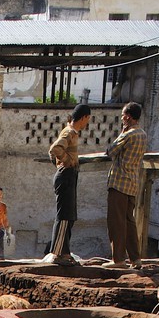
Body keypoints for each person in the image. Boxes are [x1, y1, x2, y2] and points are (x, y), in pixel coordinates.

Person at [43, 102, 92, 264]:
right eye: (88, 119)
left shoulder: (73, 132)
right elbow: (55, 149)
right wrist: (65, 162)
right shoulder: (69, 132)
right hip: (66, 175)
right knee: (64, 216)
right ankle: (57, 253)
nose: (88, 123)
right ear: (84, 117)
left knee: (70, 216)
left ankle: (65, 253)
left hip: (69, 175)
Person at [105, 102, 147, 268]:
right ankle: (135, 258)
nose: (122, 118)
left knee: (116, 222)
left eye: (123, 115)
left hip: (119, 182)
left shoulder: (128, 134)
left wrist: (121, 133)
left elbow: (110, 151)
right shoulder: (142, 134)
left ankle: (118, 260)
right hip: (133, 183)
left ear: (128, 117)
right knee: (129, 222)